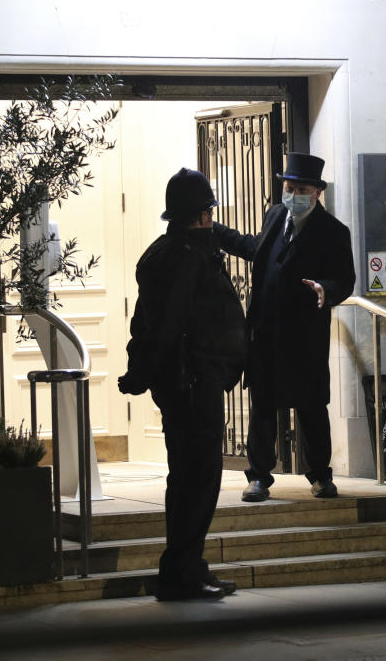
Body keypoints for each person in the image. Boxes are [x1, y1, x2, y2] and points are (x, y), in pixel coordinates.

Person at [118, 168, 247, 601]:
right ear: (202, 214)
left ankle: (185, 567)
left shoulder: (163, 252)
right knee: (198, 480)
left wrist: (141, 372)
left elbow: (147, 322)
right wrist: (144, 372)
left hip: (186, 382)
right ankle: (183, 573)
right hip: (194, 382)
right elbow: (170, 323)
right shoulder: (188, 256)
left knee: (188, 479)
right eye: (209, 211)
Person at [213, 153, 355, 502]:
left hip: (304, 338)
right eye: (289, 187)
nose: (292, 194)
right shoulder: (276, 216)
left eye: (300, 189)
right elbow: (256, 249)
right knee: (262, 406)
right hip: (264, 335)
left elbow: (345, 279)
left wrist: (326, 289)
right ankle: (259, 476)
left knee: (311, 408)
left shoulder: (334, 232)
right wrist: (212, 231)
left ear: (317, 193)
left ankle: (320, 476)